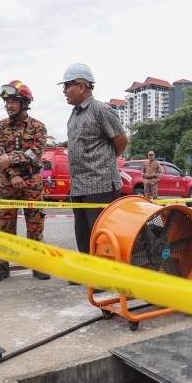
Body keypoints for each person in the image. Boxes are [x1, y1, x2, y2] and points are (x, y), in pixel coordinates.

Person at [61, 63, 128, 259]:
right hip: (79, 186)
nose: (64, 91)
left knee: (103, 235)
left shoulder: (101, 110)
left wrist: (104, 163)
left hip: (101, 185)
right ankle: (90, 273)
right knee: (83, 234)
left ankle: (104, 276)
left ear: (81, 86)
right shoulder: (74, 115)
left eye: (67, 86)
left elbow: (121, 140)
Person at [0, 80, 50, 283]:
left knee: (35, 224)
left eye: (14, 101)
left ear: (25, 103)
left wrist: (12, 160)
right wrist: (13, 174)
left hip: (32, 180)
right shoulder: (0, 126)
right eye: (7, 102)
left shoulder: (38, 127)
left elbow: (36, 153)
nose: (9, 105)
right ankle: (2, 266)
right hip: (7, 181)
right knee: (5, 224)